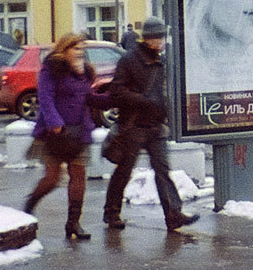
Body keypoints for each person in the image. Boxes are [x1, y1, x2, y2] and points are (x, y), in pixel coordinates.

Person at [103, 17, 200, 232]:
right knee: (124, 170)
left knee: (163, 170)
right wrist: (144, 100)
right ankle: (111, 213)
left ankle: (173, 215)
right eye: (156, 37)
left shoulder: (162, 61)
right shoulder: (129, 61)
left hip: (156, 126)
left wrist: (167, 110)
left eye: (162, 37)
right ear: (147, 39)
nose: (160, 41)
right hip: (134, 125)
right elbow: (116, 91)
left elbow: (165, 90)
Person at [23, 33, 112, 240]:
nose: (80, 52)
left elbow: (87, 97)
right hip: (55, 133)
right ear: (65, 49)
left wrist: (110, 99)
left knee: (78, 176)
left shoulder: (83, 73)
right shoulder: (51, 69)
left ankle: (73, 223)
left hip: (79, 131)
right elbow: (45, 98)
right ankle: (29, 206)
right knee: (53, 178)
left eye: (82, 48)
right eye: (76, 48)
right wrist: (55, 123)